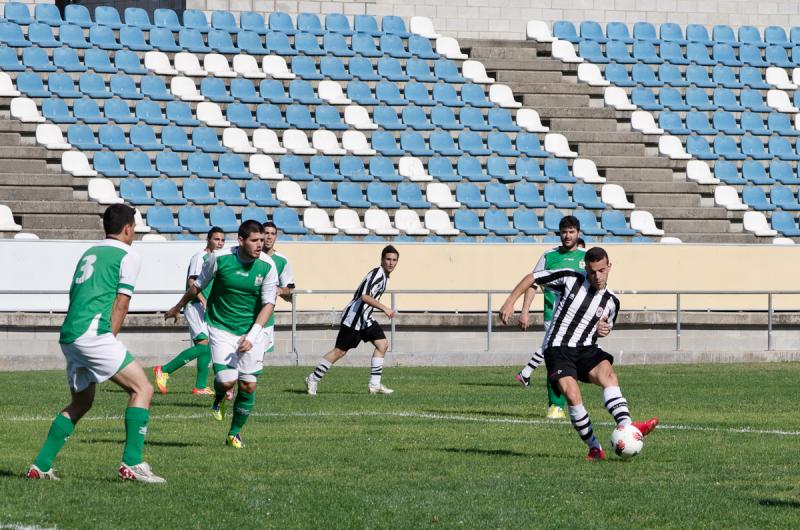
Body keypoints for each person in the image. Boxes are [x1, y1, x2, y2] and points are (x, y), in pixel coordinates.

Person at [27, 204, 165, 482]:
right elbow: (121, 303)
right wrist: (107, 340)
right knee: (143, 388)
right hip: (93, 335)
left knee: (82, 403)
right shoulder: (128, 255)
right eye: (134, 228)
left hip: (70, 335)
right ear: (128, 228)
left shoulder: (90, 252)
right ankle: (132, 463)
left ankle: (39, 466)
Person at [499, 247, 658, 460]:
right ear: (586, 268)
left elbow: (605, 327)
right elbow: (532, 277)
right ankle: (594, 447)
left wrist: (604, 330)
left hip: (586, 348)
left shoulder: (612, 302)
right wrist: (510, 302)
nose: (597, 276)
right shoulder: (570, 277)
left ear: (609, 267)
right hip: (558, 348)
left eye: (602, 270)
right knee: (573, 396)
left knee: (608, 374)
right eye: (592, 272)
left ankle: (627, 426)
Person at [165, 221, 278, 449]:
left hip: (251, 330)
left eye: (262, 240)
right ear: (241, 241)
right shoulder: (220, 258)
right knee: (227, 381)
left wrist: (253, 335)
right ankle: (219, 396)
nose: (260, 244)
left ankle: (234, 434)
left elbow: (269, 303)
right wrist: (178, 306)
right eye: (254, 240)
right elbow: (197, 285)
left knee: (248, 386)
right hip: (221, 327)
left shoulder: (267, 266)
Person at [514, 216, 586, 420]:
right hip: (552, 315)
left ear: (578, 233)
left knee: (575, 359)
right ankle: (555, 405)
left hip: (579, 318)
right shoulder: (549, 256)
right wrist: (525, 311)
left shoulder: (586, 257)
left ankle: (571, 401)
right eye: (564, 232)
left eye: (571, 232)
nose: (567, 235)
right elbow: (533, 283)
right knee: (555, 358)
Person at [305, 246, 398, 396]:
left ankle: (374, 385)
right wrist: (385, 308)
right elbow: (364, 296)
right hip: (354, 318)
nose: (391, 263)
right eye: (388, 259)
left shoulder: (385, 276)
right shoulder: (376, 274)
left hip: (366, 319)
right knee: (339, 351)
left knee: (383, 344)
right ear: (382, 260)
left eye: (394, 260)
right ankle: (313, 378)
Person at [154, 227, 225, 396]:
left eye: (222, 240)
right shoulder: (200, 257)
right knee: (203, 346)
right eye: (216, 239)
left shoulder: (219, 258)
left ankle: (200, 386)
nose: (220, 243)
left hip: (208, 308)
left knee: (206, 347)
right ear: (208, 240)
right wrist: (202, 299)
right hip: (195, 307)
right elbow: (192, 280)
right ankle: (164, 370)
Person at [262, 221, 295, 354]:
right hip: (244, 313)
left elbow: (290, 289)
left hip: (266, 316)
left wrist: (281, 290)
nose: (269, 237)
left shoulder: (282, 260)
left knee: (262, 359)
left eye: (273, 234)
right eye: (266, 233)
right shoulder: (252, 257)